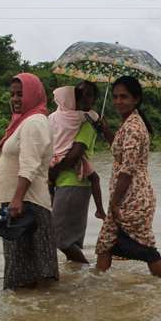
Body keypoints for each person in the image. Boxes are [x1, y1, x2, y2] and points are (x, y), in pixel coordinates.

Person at [0, 73, 59, 288]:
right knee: (22, 270)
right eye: (12, 94)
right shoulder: (22, 123)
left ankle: (39, 319)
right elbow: (10, 165)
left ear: (33, 95)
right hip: (21, 202)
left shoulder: (34, 122)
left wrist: (17, 199)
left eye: (21, 94)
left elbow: (29, 164)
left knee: (31, 274)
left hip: (28, 204)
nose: (15, 99)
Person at [95, 76, 161, 278]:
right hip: (128, 195)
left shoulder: (134, 127)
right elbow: (120, 152)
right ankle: (99, 288)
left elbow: (127, 170)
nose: (118, 101)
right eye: (115, 97)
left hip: (131, 197)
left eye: (123, 97)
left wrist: (115, 203)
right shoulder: (129, 123)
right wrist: (105, 130)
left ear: (136, 99)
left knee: (146, 248)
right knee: (106, 244)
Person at [48, 81, 105, 264]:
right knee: (71, 240)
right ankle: (80, 282)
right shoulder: (66, 120)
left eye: (88, 95)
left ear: (95, 99)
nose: (83, 98)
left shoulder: (87, 124)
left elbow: (73, 157)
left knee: (59, 239)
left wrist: (52, 172)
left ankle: (88, 270)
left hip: (73, 183)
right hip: (67, 183)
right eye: (79, 94)